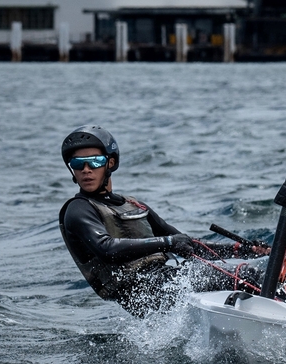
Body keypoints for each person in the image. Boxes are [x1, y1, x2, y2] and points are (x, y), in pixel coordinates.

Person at [59, 125, 269, 317]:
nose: (86, 169)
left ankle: (282, 311)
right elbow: (107, 249)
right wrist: (168, 243)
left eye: (95, 161)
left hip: (166, 279)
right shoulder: (78, 209)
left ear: (110, 163)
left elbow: (185, 244)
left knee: (252, 275)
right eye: (77, 164)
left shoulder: (133, 205)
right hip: (142, 292)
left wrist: (242, 250)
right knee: (244, 275)